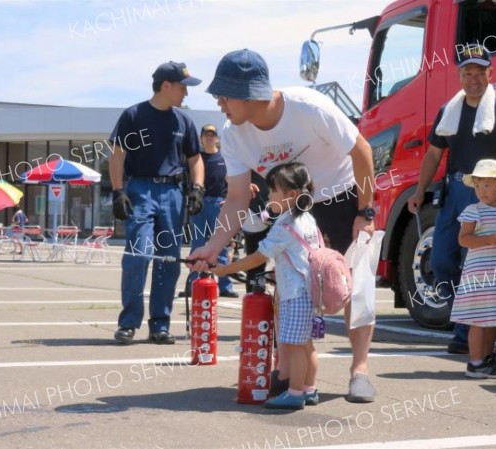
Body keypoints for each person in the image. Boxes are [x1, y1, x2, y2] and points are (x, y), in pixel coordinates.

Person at [189, 49, 377, 403]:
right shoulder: (233, 135)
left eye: (224, 95)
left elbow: (362, 152)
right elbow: (236, 199)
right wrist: (213, 247)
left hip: (341, 198)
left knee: (354, 286)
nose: (219, 103)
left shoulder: (309, 107)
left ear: (249, 92)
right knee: (289, 288)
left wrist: (365, 213)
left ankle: (360, 369)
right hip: (291, 210)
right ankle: (290, 372)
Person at [407, 44, 496, 355]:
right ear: (459, 74)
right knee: (442, 261)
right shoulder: (449, 111)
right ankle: (469, 321)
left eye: (479, 72)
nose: (473, 78)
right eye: (466, 72)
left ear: (490, 73)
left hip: (489, 196)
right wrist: (419, 191)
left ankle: (464, 333)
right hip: (456, 191)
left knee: (479, 264)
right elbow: (433, 154)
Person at [109, 60, 205, 345]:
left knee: (169, 260)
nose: (186, 94)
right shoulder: (134, 116)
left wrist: (197, 188)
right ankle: (128, 323)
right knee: (138, 255)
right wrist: (117, 191)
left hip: (172, 194)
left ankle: (160, 324)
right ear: (166, 86)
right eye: (182, 87)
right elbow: (117, 154)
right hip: (140, 188)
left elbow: (195, 158)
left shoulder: (184, 121)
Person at [210, 162, 319, 410]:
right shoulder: (307, 219)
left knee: (295, 346)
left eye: (273, 191)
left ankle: (294, 393)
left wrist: (226, 269)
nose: (269, 195)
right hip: (308, 291)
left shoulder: (285, 224)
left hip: (294, 294)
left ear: (291, 195)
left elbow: (259, 256)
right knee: (306, 344)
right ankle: (309, 389)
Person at [451, 159, 496, 378]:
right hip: (479, 273)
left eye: (487, 185)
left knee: (493, 318)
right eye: (478, 185)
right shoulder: (474, 210)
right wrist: (488, 239)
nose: (481, 191)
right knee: (478, 319)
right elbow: (464, 239)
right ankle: (475, 363)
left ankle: (486, 359)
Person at [182, 124, 238, 298]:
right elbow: (186, 181)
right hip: (199, 204)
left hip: (218, 204)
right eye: (206, 134)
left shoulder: (225, 158)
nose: (209, 137)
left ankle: (225, 286)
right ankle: (192, 284)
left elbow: (234, 182)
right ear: (201, 138)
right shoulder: (195, 159)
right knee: (197, 244)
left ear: (217, 138)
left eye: (212, 134)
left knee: (221, 245)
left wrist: (228, 202)